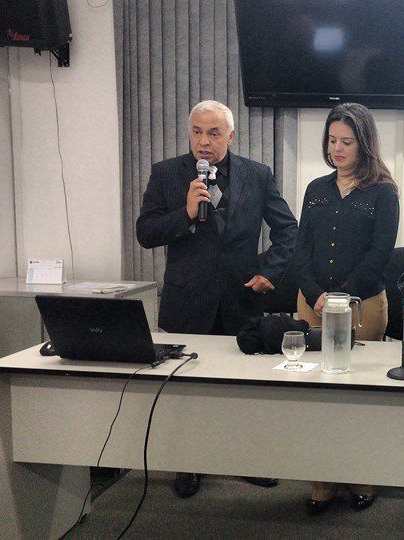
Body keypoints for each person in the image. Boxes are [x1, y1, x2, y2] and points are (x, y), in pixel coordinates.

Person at [136, 99, 298, 498]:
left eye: (213, 133)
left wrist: (269, 271)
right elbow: (146, 233)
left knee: (244, 390)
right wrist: (186, 214)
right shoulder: (166, 173)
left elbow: (288, 231)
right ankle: (187, 463)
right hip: (186, 302)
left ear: (230, 136)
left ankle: (246, 460)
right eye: (196, 132)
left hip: (241, 300)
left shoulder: (257, 175)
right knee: (185, 391)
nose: (203, 142)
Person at [291, 102, 399, 514]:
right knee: (316, 395)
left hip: (361, 306)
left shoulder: (383, 192)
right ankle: (322, 482)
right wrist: (314, 293)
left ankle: (363, 478)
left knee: (358, 395)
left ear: (364, 144)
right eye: (332, 140)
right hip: (312, 303)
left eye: (346, 142)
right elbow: (301, 250)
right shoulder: (316, 190)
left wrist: (343, 297)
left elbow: (380, 253)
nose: (337, 149)